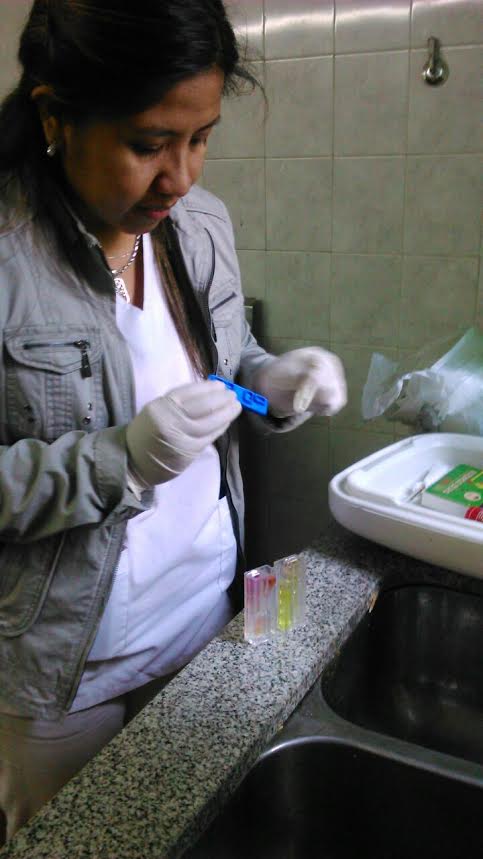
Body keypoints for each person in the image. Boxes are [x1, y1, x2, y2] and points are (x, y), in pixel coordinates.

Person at [0, 0, 347, 842]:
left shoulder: (198, 224)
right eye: (148, 144)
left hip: (200, 619)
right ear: (55, 117)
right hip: (63, 667)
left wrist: (268, 380)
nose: (181, 177)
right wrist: (117, 460)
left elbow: (219, 362)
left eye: (200, 139)